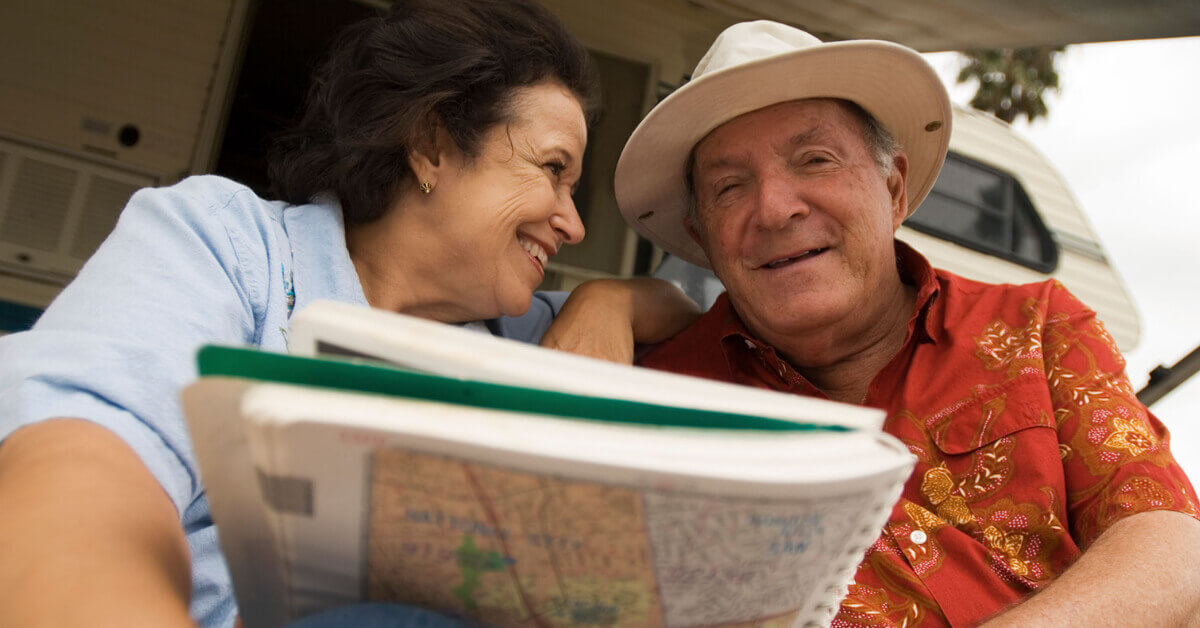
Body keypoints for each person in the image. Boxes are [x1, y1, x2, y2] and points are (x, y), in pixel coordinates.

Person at [0, 2, 699, 627]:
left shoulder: (514, 337)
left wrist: (606, 299)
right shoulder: (228, 247)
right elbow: (76, 480)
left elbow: (679, 303)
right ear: (432, 145)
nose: (573, 225)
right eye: (553, 169)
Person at [617, 20, 1200, 627]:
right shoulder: (662, 400)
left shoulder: (1037, 326)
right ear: (701, 236)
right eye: (729, 188)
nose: (774, 207)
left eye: (814, 160)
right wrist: (605, 302)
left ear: (893, 187)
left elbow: (1166, 537)